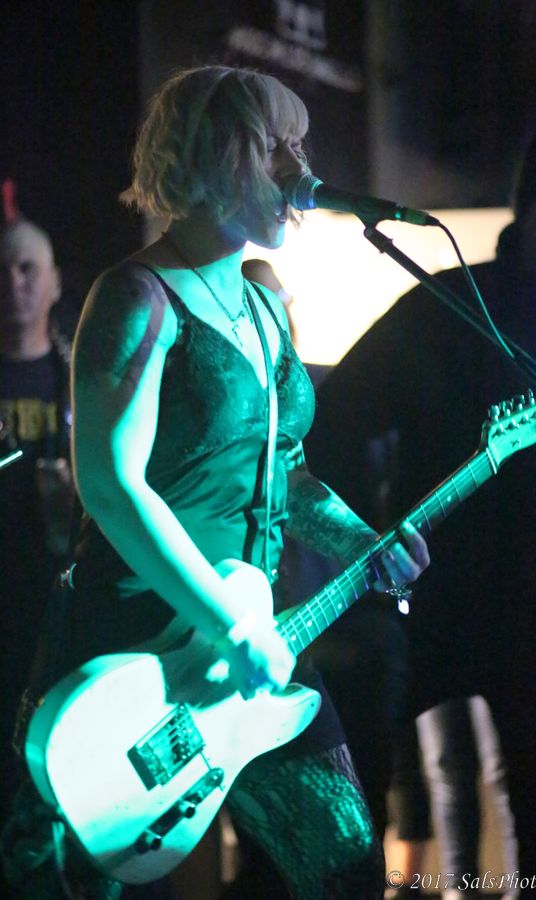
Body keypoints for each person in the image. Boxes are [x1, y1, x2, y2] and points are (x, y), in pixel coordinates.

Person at [6, 66, 430, 900]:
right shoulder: (136, 297)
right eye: (276, 148)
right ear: (209, 157)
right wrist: (227, 623)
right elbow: (110, 484)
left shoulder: (265, 304)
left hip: (254, 637)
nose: (301, 168)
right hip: (136, 647)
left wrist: (364, 543)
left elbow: (286, 472)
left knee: (348, 868)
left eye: (301, 146)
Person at [305, 129, 536, 897]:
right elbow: (332, 424)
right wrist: (362, 538)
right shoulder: (448, 304)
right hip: (433, 596)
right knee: (350, 759)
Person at [0, 217, 75, 896]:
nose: (14, 282)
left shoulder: (78, 377)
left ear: (53, 283)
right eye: (4, 270)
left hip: (62, 613)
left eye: (28, 268)